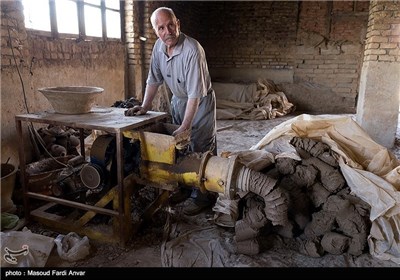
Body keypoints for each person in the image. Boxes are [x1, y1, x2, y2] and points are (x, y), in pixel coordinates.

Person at [125, 7, 217, 216]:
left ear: (178, 24)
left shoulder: (192, 50)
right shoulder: (158, 47)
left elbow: (195, 94)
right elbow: (154, 79)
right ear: (155, 31)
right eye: (161, 28)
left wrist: (185, 125)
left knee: (201, 146)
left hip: (199, 102)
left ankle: (203, 196)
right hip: (179, 101)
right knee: (181, 148)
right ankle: (184, 187)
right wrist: (145, 106)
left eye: (170, 25)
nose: (167, 31)